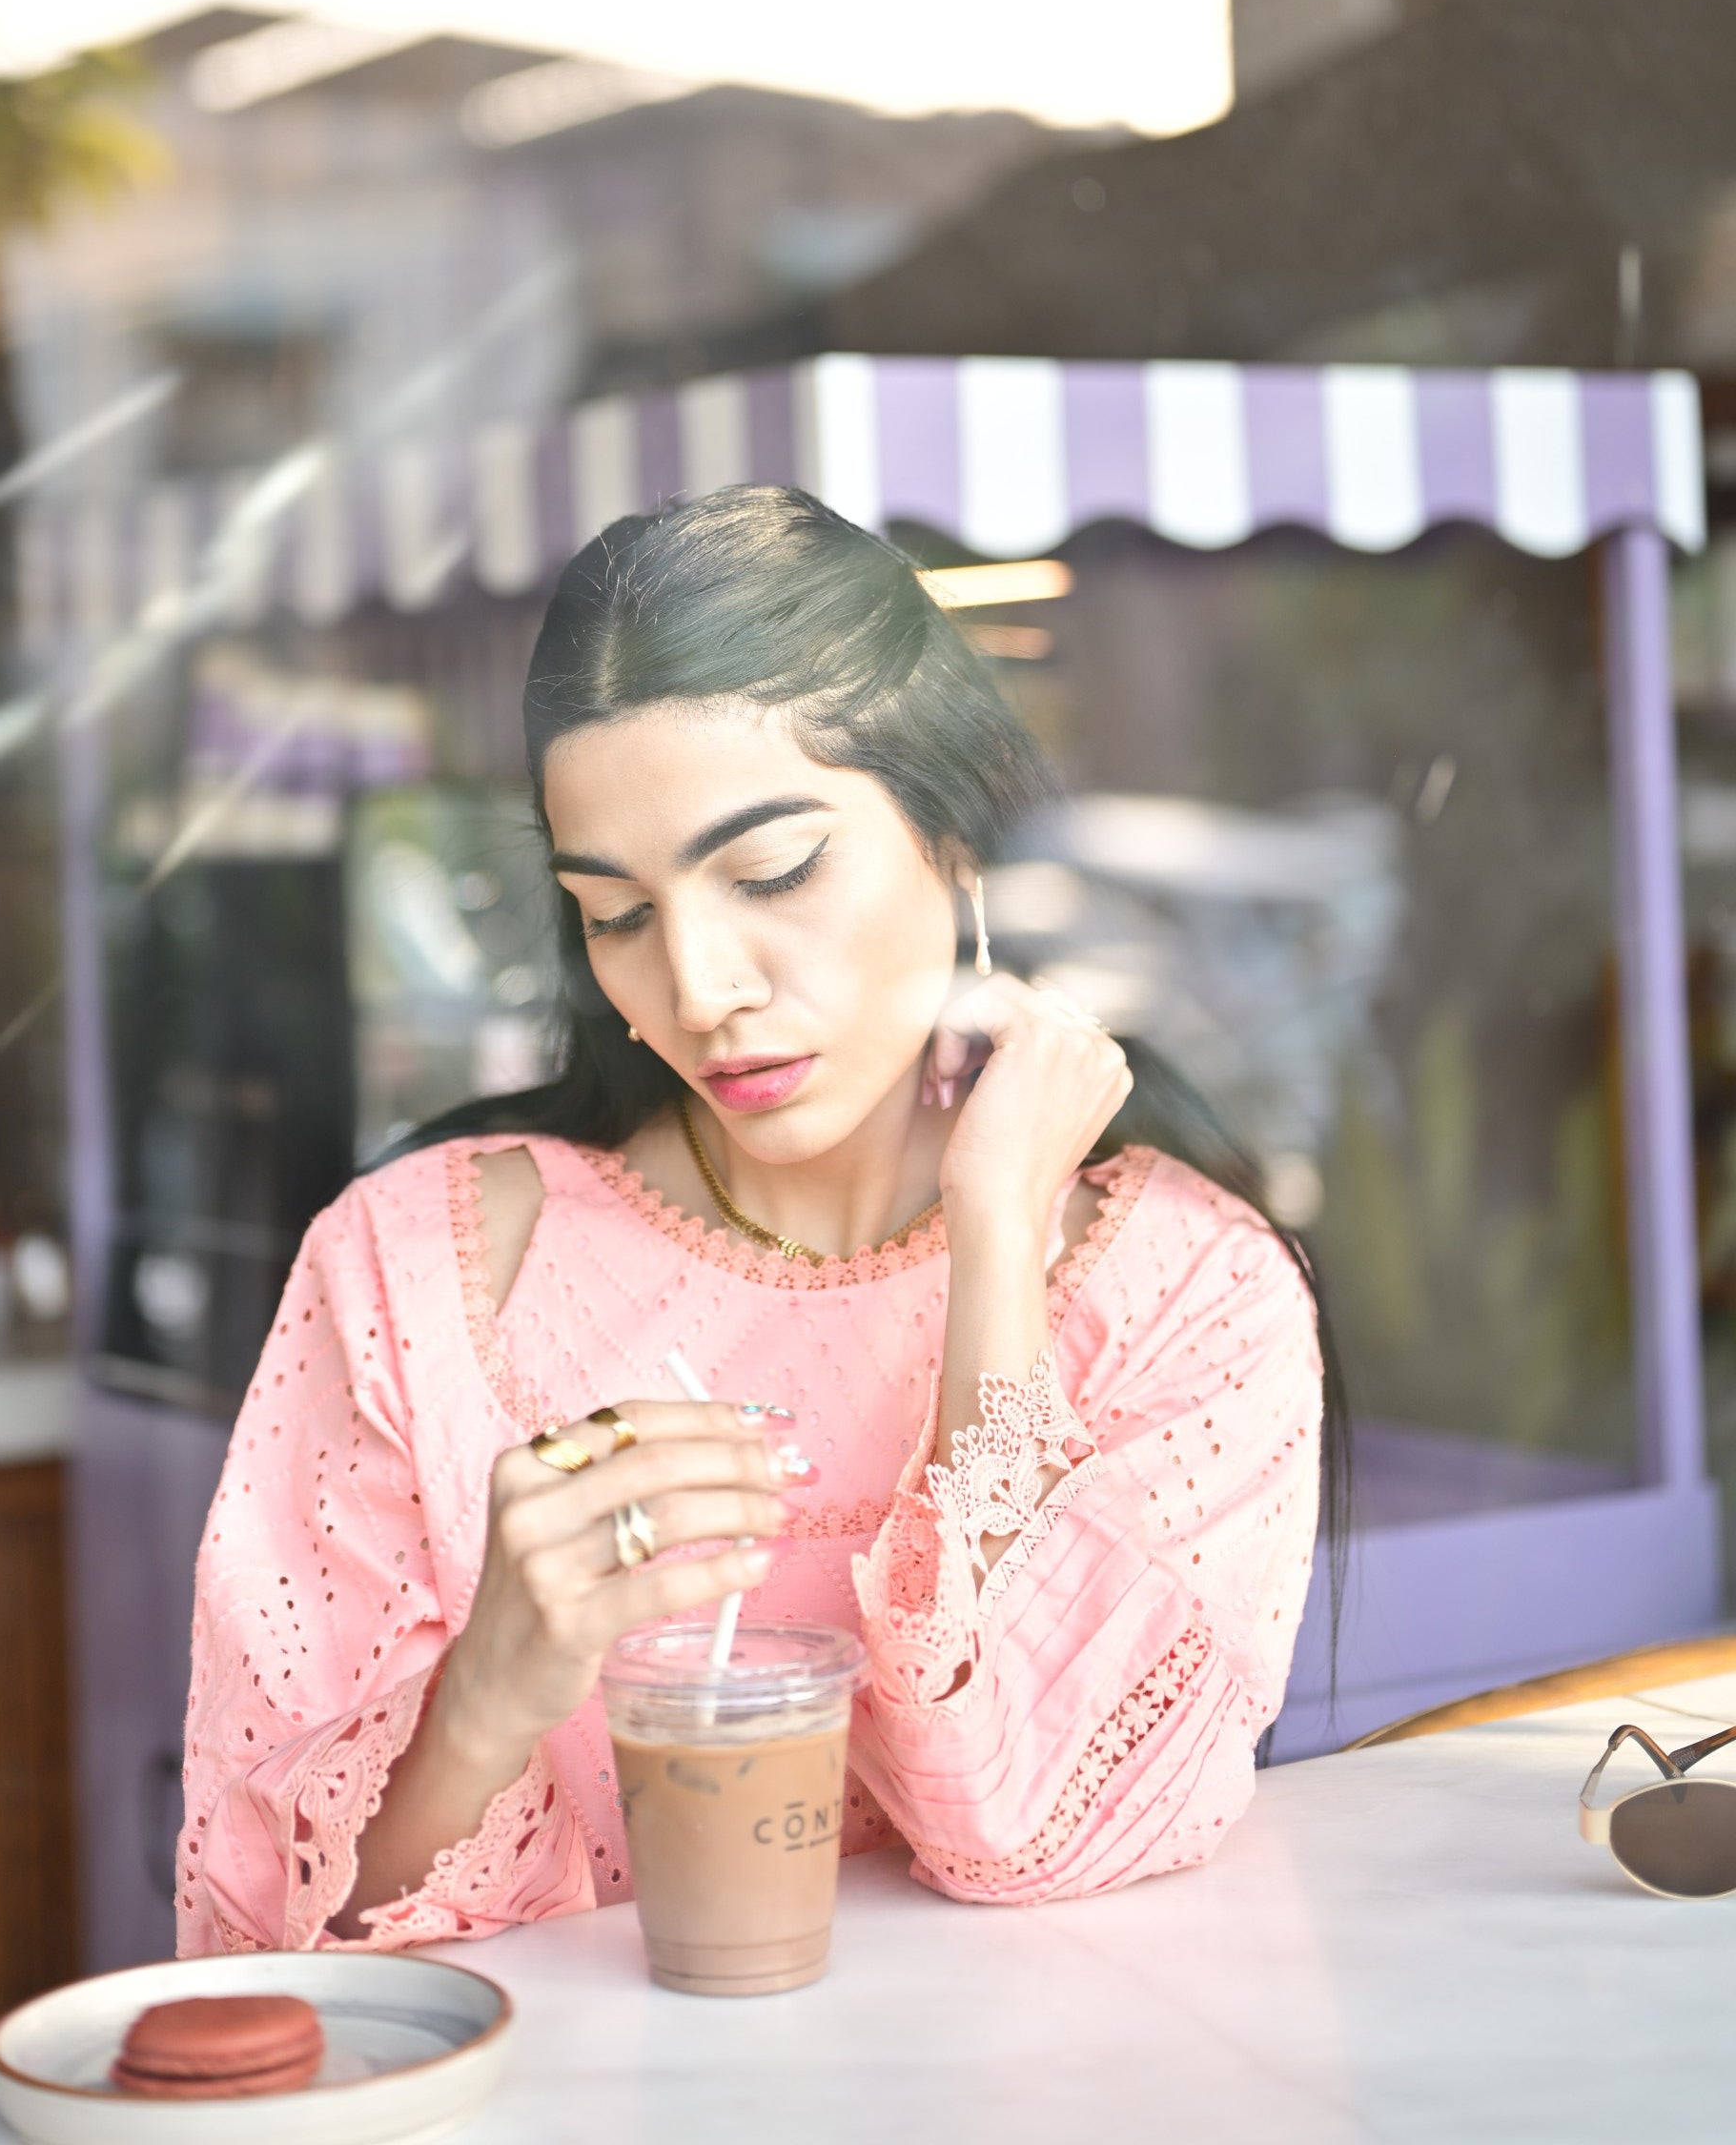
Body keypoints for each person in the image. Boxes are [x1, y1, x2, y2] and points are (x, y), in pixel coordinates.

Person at [177, 486, 1325, 1954]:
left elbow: (1031, 1830)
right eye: (618, 912)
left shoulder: (1188, 1289)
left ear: (955, 837)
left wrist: (995, 1250)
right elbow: (244, 1949)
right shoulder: (411, 1274)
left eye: (773, 872)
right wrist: (486, 1696)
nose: (700, 986)